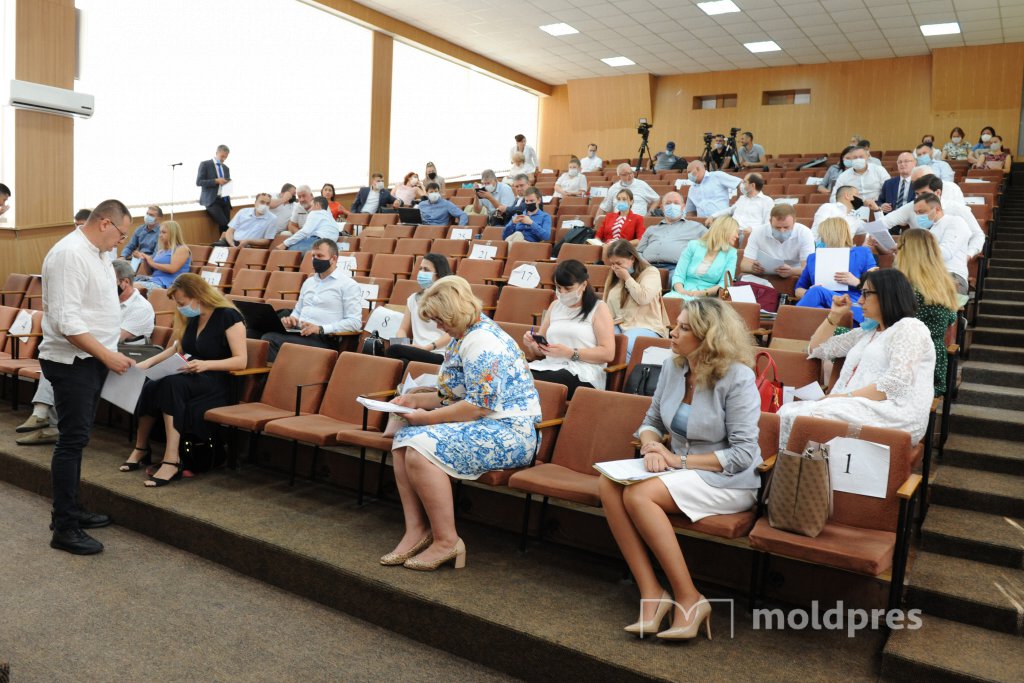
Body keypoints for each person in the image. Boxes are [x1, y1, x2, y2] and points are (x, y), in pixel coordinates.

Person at [600, 297, 760, 641]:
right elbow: (652, 421)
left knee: (639, 496)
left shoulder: (738, 377)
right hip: (682, 471)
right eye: (676, 325)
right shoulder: (673, 367)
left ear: (708, 337)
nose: (673, 332)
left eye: (684, 328)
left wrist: (677, 461)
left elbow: (743, 454)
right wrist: (650, 445)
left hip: (728, 481)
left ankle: (689, 598)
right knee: (608, 484)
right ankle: (652, 593)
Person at [383, 276, 541, 570]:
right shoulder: (464, 337)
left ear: (454, 312)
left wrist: (426, 418)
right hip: (485, 423)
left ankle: (447, 541)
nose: (438, 327)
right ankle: (416, 530)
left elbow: (477, 406)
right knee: (403, 440)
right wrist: (414, 402)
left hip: (511, 433)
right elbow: (453, 396)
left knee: (419, 448)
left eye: (440, 320)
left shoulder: (483, 341)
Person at [40, 199, 135, 554]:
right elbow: (67, 322)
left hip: (91, 359)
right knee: (71, 441)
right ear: (105, 223)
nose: (121, 242)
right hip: (73, 361)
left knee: (78, 439)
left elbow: (97, 308)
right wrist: (107, 354)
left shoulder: (100, 253)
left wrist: (109, 350)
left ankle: (72, 509)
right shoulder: (70, 254)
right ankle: (64, 527)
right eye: (121, 234)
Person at [776, 269, 936, 448]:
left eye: (866, 293)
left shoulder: (910, 327)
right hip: (856, 405)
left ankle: (795, 464)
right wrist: (834, 316)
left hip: (893, 412)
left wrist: (842, 397)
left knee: (810, 418)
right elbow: (817, 349)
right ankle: (788, 464)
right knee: (786, 412)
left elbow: (896, 383)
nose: (859, 301)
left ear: (887, 294)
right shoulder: (867, 332)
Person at [123, 274, 247, 486]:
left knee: (171, 384)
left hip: (216, 380)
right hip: (191, 375)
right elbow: (176, 349)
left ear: (198, 296)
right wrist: (145, 364)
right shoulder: (193, 317)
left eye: (182, 302)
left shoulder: (228, 316)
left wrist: (206, 364)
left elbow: (241, 361)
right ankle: (141, 448)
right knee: (150, 383)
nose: (180, 308)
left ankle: (172, 459)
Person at [18, 259, 154, 447]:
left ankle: (51, 425)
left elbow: (113, 338)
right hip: (101, 353)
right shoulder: (106, 301)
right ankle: (43, 416)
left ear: (125, 282)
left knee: (71, 365)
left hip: (124, 359)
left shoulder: (141, 308)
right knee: (58, 358)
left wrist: (85, 338)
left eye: (110, 281)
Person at [524, 260, 615, 398]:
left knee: (527, 380)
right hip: (551, 365)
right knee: (514, 373)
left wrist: (571, 353)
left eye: (568, 289)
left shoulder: (599, 308)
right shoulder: (555, 306)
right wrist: (532, 344)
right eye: (558, 287)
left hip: (584, 371)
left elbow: (608, 353)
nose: (562, 293)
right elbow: (539, 352)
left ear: (583, 285)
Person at [261, 239, 361, 360]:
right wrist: (292, 319)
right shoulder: (309, 282)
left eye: (320, 256)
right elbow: (298, 311)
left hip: (324, 338)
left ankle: (275, 372)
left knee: (270, 339)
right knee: (254, 333)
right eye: (313, 256)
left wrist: (320, 328)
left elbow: (355, 322)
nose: (315, 259)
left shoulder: (348, 285)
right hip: (299, 332)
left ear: (333, 259)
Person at [896, 228, 960, 396]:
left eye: (899, 247)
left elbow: (889, 327)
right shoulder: (945, 285)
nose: (896, 251)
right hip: (935, 363)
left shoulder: (905, 288)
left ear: (906, 252)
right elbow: (951, 318)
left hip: (910, 364)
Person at [879, 175, 985, 258]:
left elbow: (978, 235)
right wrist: (887, 243)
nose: (919, 198)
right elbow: (883, 223)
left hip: (949, 264)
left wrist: (968, 255)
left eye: (924, 193)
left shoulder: (957, 209)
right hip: (917, 261)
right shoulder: (911, 206)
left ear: (938, 192)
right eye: (917, 194)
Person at [794, 217, 877, 324]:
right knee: (816, 299)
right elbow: (798, 290)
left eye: (822, 236)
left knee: (816, 293)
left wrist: (857, 282)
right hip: (822, 305)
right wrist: (809, 292)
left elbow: (876, 287)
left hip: (851, 302)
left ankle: (786, 325)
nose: (821, 240)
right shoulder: (813, 257)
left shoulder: (862, 253)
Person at [603, 240, 669, 359]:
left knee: (624, 345)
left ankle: (623, 372)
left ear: (632, 258)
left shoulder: (651, 272)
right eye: (612, 263)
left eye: (619, 263)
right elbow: (606, 302)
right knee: (600, 340)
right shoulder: (614, 274)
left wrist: (627, 278)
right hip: (619, 324)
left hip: (645, 326)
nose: (615, 267)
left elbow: (643, 298)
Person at [386, 254, 453, 366]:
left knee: (393, 350)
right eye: (420, 269)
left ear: (439, 274)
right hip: (416, 351)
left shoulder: (448, 299)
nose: (421, 272)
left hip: (439, 353)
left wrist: (428, 347)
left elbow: (452, 333)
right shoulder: (413, 298)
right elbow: (402, 329)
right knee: (402, 362)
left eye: (426, 270)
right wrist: (404, 343)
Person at [665, 217, 739, 299]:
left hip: (708, 297)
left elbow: (725, 283)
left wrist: (702, 293)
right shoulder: (693, 245)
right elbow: (678, 275)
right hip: (682, 292)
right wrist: (682, 291)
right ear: (725, 231)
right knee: (667, 300)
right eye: (735, 231)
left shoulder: (731, 253)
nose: (737, 236)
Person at [911, 193, 971, 295]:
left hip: (951, 276)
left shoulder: (955, 222)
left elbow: (945, 254)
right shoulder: (930, 231)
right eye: (916, 213)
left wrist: (914, 250)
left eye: (921, 212)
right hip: (928, 276)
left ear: (937, 209)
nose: (918, 216)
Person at [636, 193, 706, 270]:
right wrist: (645, 265)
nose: (672, 206)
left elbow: (714, 241)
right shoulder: (651, 229)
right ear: (662, 208)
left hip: (677, 268)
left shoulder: (696, 227)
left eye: (676, 203)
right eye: (668, 203)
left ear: (683, 207)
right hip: (648, 268)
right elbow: (638, 252)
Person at [741, 203, 813, 279]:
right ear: (770, 221)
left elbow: (808, 269)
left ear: (794, 222)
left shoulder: (805, 233)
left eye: (786, 227)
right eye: (777, 227)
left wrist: (792, 271)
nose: (782, 231)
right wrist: (752, 268)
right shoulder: (758, 232)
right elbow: (744, 265)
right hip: (764, 275)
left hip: (794, 276)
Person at [133, 221, 191, 289]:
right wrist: (146, 260)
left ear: (173, 234)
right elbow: (149, 272)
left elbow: (172, 269)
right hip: (154, 281)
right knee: (125, 282)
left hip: (169, 284)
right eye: (160, 232)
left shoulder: (182, 249)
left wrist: (153, 263)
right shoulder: (161, 251)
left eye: (164, 232)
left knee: (130, 287)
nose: (160, 235)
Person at [709, 172, 773, 233]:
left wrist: (753, 229)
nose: (742, 184)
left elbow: (767, 224)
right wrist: (713, 216)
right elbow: (730, 210)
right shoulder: (742, 198)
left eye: (744, 182)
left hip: (749, 233)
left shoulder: (767, 201)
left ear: (752, 185)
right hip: (731, 231)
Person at [196, 144, 232, 233]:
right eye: (222, 156)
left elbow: (226, 183)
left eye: (226, 157)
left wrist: (228, 183)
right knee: (224, 223)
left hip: (225, 200)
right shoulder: (205, 164)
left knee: (227, 225)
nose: (223, 159)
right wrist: (216, 181)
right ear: (216, 153)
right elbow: (199, 182)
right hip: (212, 200)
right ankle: (224, 241)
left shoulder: (226, 168)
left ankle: (224, 242)